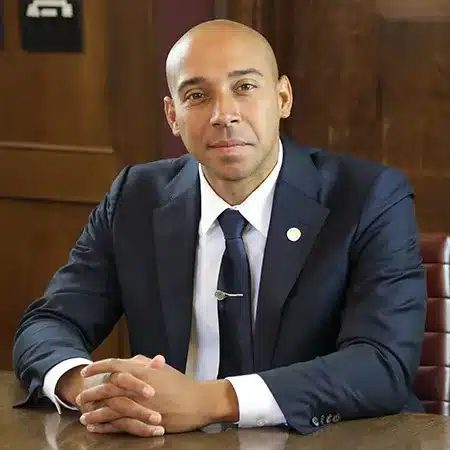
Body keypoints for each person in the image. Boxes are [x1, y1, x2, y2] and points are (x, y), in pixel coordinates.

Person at [13, 19, 427, 438]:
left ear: (282, 98)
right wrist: (92, 387)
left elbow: (382, 363)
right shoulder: (136, 196)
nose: (223, 115)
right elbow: (48, 323)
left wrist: (211, 401)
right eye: (197, 95)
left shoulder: (368, 196)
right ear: (172, 116)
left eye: (244, 87)